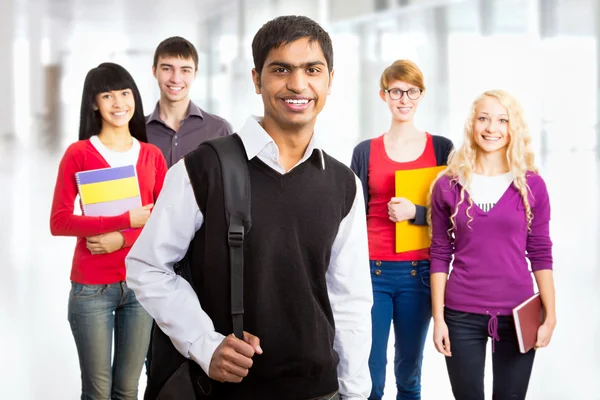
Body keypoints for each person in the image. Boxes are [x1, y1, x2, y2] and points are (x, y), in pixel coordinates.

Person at [126, 15, 373, 400]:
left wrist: (355, 393)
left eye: (312, 69)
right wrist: (203, 344)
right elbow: (147, 266)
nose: (297, 84)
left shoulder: (344, 184)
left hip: (319, 390)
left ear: (329, 80)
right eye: (281, 70)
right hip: (228, 389)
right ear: (257, 79)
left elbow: (350, 301)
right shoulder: (202, 167)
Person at [49, 62, 168, 399]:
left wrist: (124, 236)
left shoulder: (152, 156)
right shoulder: (79, 154)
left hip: (139, 285)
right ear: (94, 104)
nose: (119, 103)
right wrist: (124, 220)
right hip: (92, 288)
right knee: (98, 392)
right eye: (107, 95)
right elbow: (59, 221)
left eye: (125, 93)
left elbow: (164, 223)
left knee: (128, 390)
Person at [429, 90, 556, 399]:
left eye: (502, 120)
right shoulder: (448, 184)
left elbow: (540, 251)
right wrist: (439, 319)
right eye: (483, 118)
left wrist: (550, 315)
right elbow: (439, 252)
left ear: (514, 128)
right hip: (460, 314)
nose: (491, 128)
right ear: (472, 124)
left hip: (518, 313)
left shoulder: (531, 185)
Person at [350, 59, 453, 400]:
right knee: (370, 377)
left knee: (409, 374)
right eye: (396, 91)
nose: (403, 98)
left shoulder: (441, 149)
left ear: (421, 95)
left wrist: (417, 212)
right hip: (372, 273)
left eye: (411, 91)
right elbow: (351, 217)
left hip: (418, 274)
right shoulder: (365, 151)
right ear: (384, 95)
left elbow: (456, 216)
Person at [147, 36, 232, 168]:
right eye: (167, 69)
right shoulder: (135, 131)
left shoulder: (219, 130)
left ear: (195, 74)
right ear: (154, 71)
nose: (176, 79)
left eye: (185, 70)